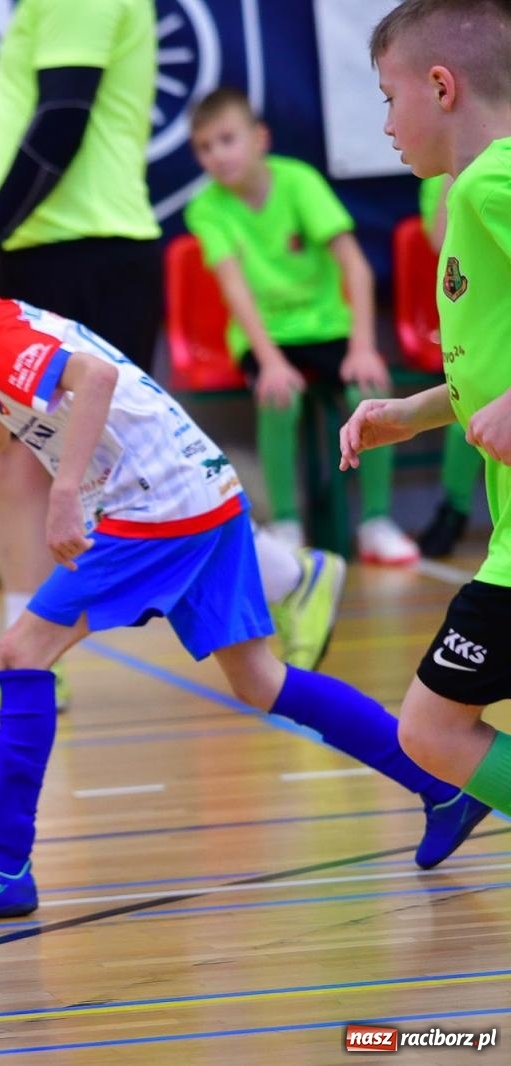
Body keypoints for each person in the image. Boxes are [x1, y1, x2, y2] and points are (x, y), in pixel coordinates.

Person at [0, 216, 489, 924]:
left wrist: (66, 490)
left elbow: (96, 376)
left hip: (157, 506)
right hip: (207, 493)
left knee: (22, 650)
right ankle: (441, 787)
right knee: (260, 681)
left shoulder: (5, 336)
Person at [0, 0, 165, 716]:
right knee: (8, 453)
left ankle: (290, 576)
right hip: (39, 248)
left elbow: (63, 117)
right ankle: (23, 659)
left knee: (128, 474)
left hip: (87, 250)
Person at [341, 0, 511, 837]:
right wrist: (413, 412)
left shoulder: (491, 181)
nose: (385, 123)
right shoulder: (466, 196)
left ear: (440, 87)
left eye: (387, 96)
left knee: (433, 729)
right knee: (433, 728)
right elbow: (492, 369)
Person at [183, 87, 420, 566]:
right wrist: (269, 362)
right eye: (204, 148)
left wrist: (363, 347)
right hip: (266, 338)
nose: (217, 156)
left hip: (328, 327)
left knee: (369, 393)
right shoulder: (205, 208)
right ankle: (287, 524)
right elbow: (236, 290)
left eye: (226, 139)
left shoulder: (300, 182)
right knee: (279, 395)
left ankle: (375, 522)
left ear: (259, 138)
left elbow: (355, 266)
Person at [413, 172, 485, 557]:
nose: (390, 128)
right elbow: (445, 245)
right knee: (471, 417)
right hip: (480, 341)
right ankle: (455, 508)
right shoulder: (444, 178)